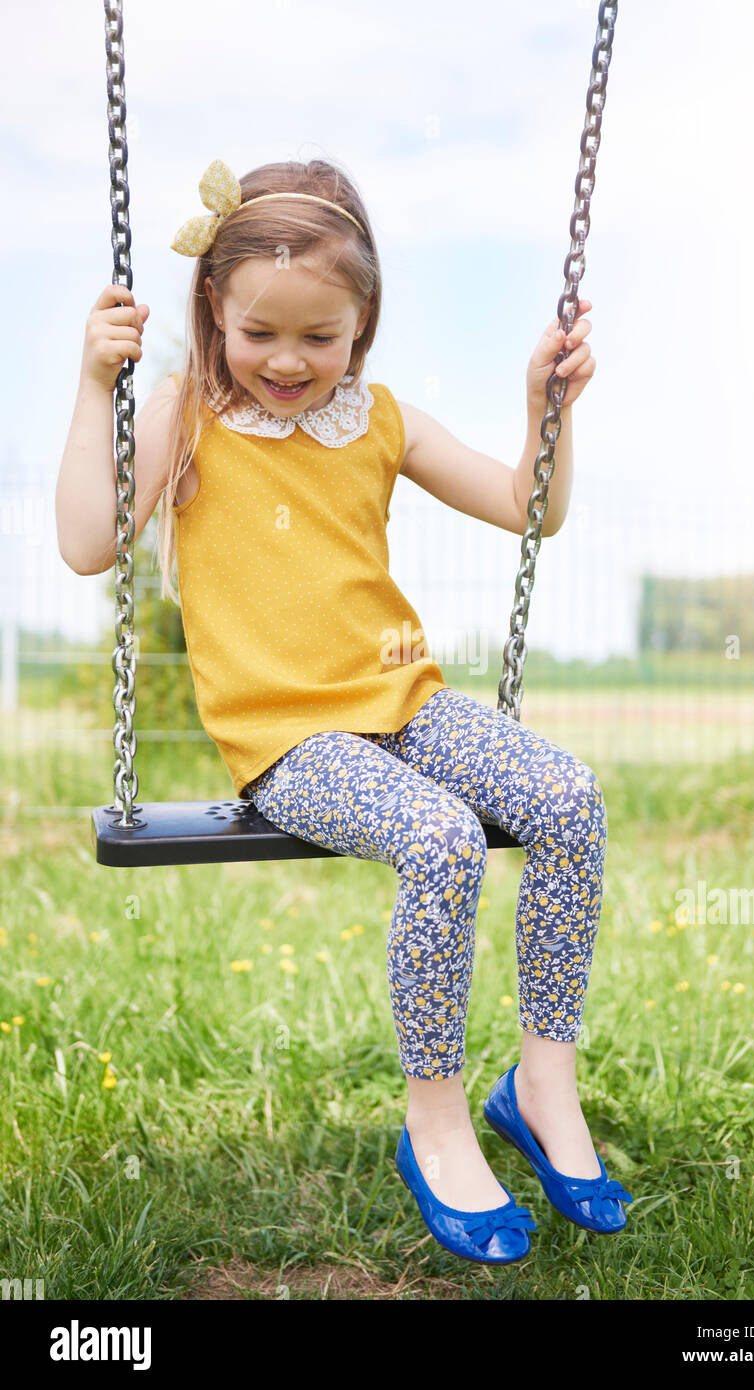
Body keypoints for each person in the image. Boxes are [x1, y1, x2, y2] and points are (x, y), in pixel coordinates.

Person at [56, 156, 632, 1264]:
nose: (287, 360)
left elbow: (529, 509)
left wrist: (546, 414)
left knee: (566, 797)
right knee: (442, 836)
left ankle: (543, 1081)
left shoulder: (378, 420)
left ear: (361, 327)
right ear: (214, 311)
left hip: (404, 697)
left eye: (320, 338)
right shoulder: (187, 417)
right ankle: (436, 1113)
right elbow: (87, 541)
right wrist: (97, 387)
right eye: (260, 332)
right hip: (288, 737)